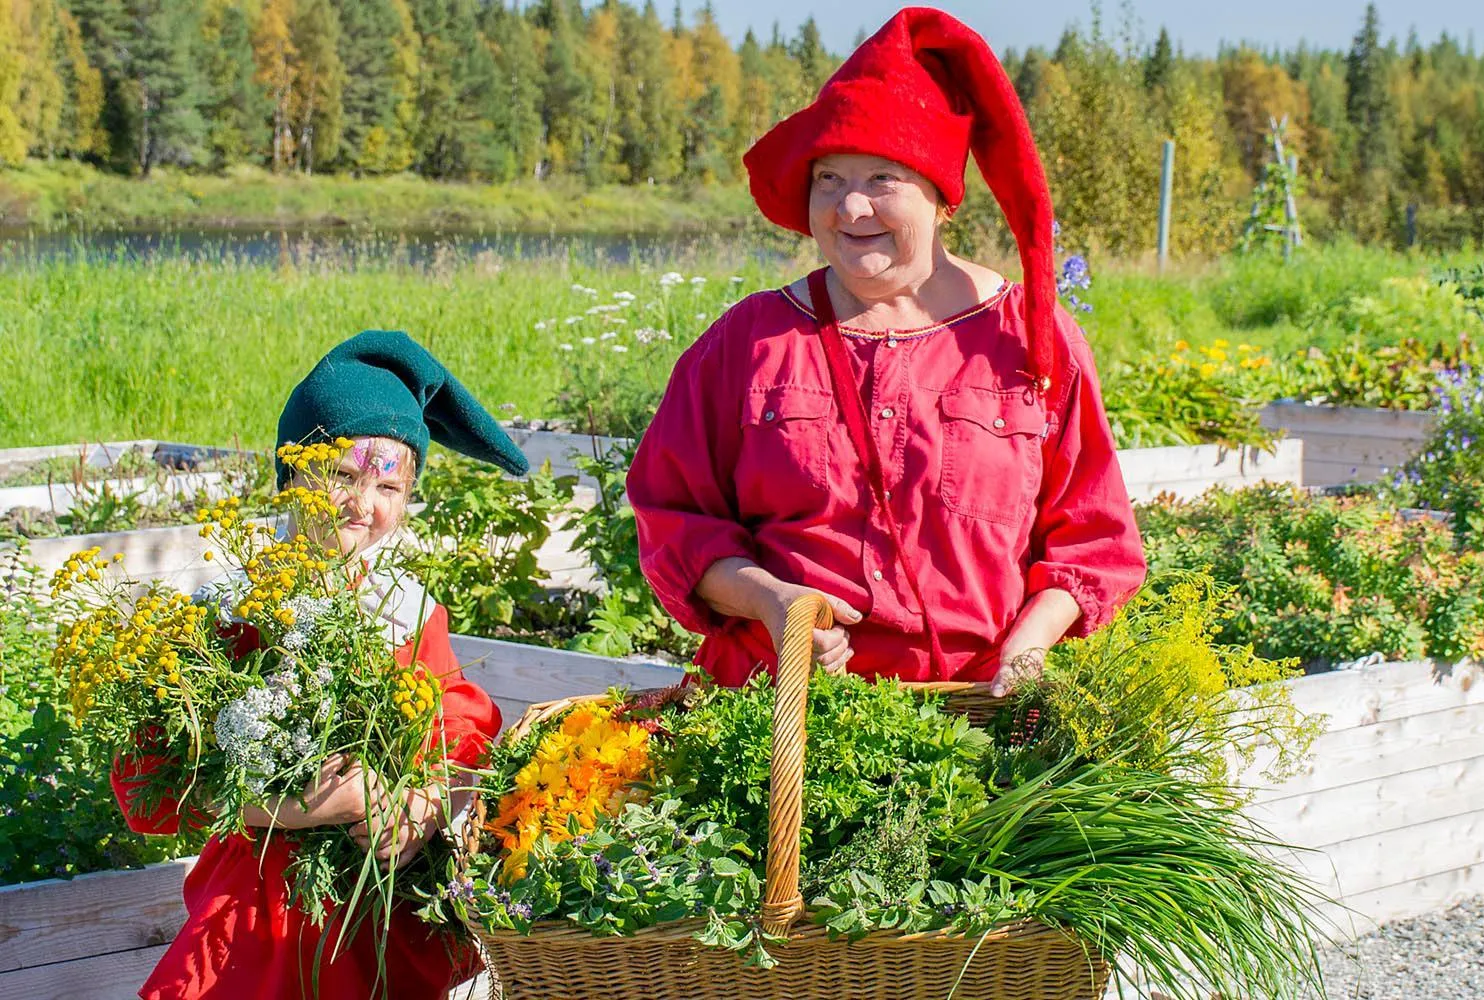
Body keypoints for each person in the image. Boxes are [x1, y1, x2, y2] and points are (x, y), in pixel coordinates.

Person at [626, 8, 1146, 695]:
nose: (850, 209)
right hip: (774, 710)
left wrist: (1029, 644)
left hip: (971, 717)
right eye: (829, 179)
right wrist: (774, 603)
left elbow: (1093, 538)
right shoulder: (749, 341)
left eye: (881, 180)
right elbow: (675, 521)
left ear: (942, 199)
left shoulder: (1026, 340)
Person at [110, 330, 529, 1000]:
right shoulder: (234, 610)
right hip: (261, 905)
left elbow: (459, 738)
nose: (363, 505)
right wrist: (301, 806)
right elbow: (160, 783)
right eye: (341, 476)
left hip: (379, 908)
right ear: (291, 475)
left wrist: (420, 807)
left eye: (388, 485)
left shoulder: (409, 612)